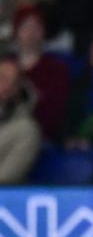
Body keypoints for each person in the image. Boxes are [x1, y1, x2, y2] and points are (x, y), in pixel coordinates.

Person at [12, 5, 69, 142]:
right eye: (25, 27)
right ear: (16, 32)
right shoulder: (5, 65)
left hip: (35, 137)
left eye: (36, 27)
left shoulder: (56, 69)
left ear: (43, 32)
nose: (31, 33)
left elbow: (56, 114)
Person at [0, 56, 40, 184]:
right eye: (1, 77)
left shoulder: (25, 131)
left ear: (17, 89)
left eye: (12, 81)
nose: (5, 85)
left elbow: (6, 181)